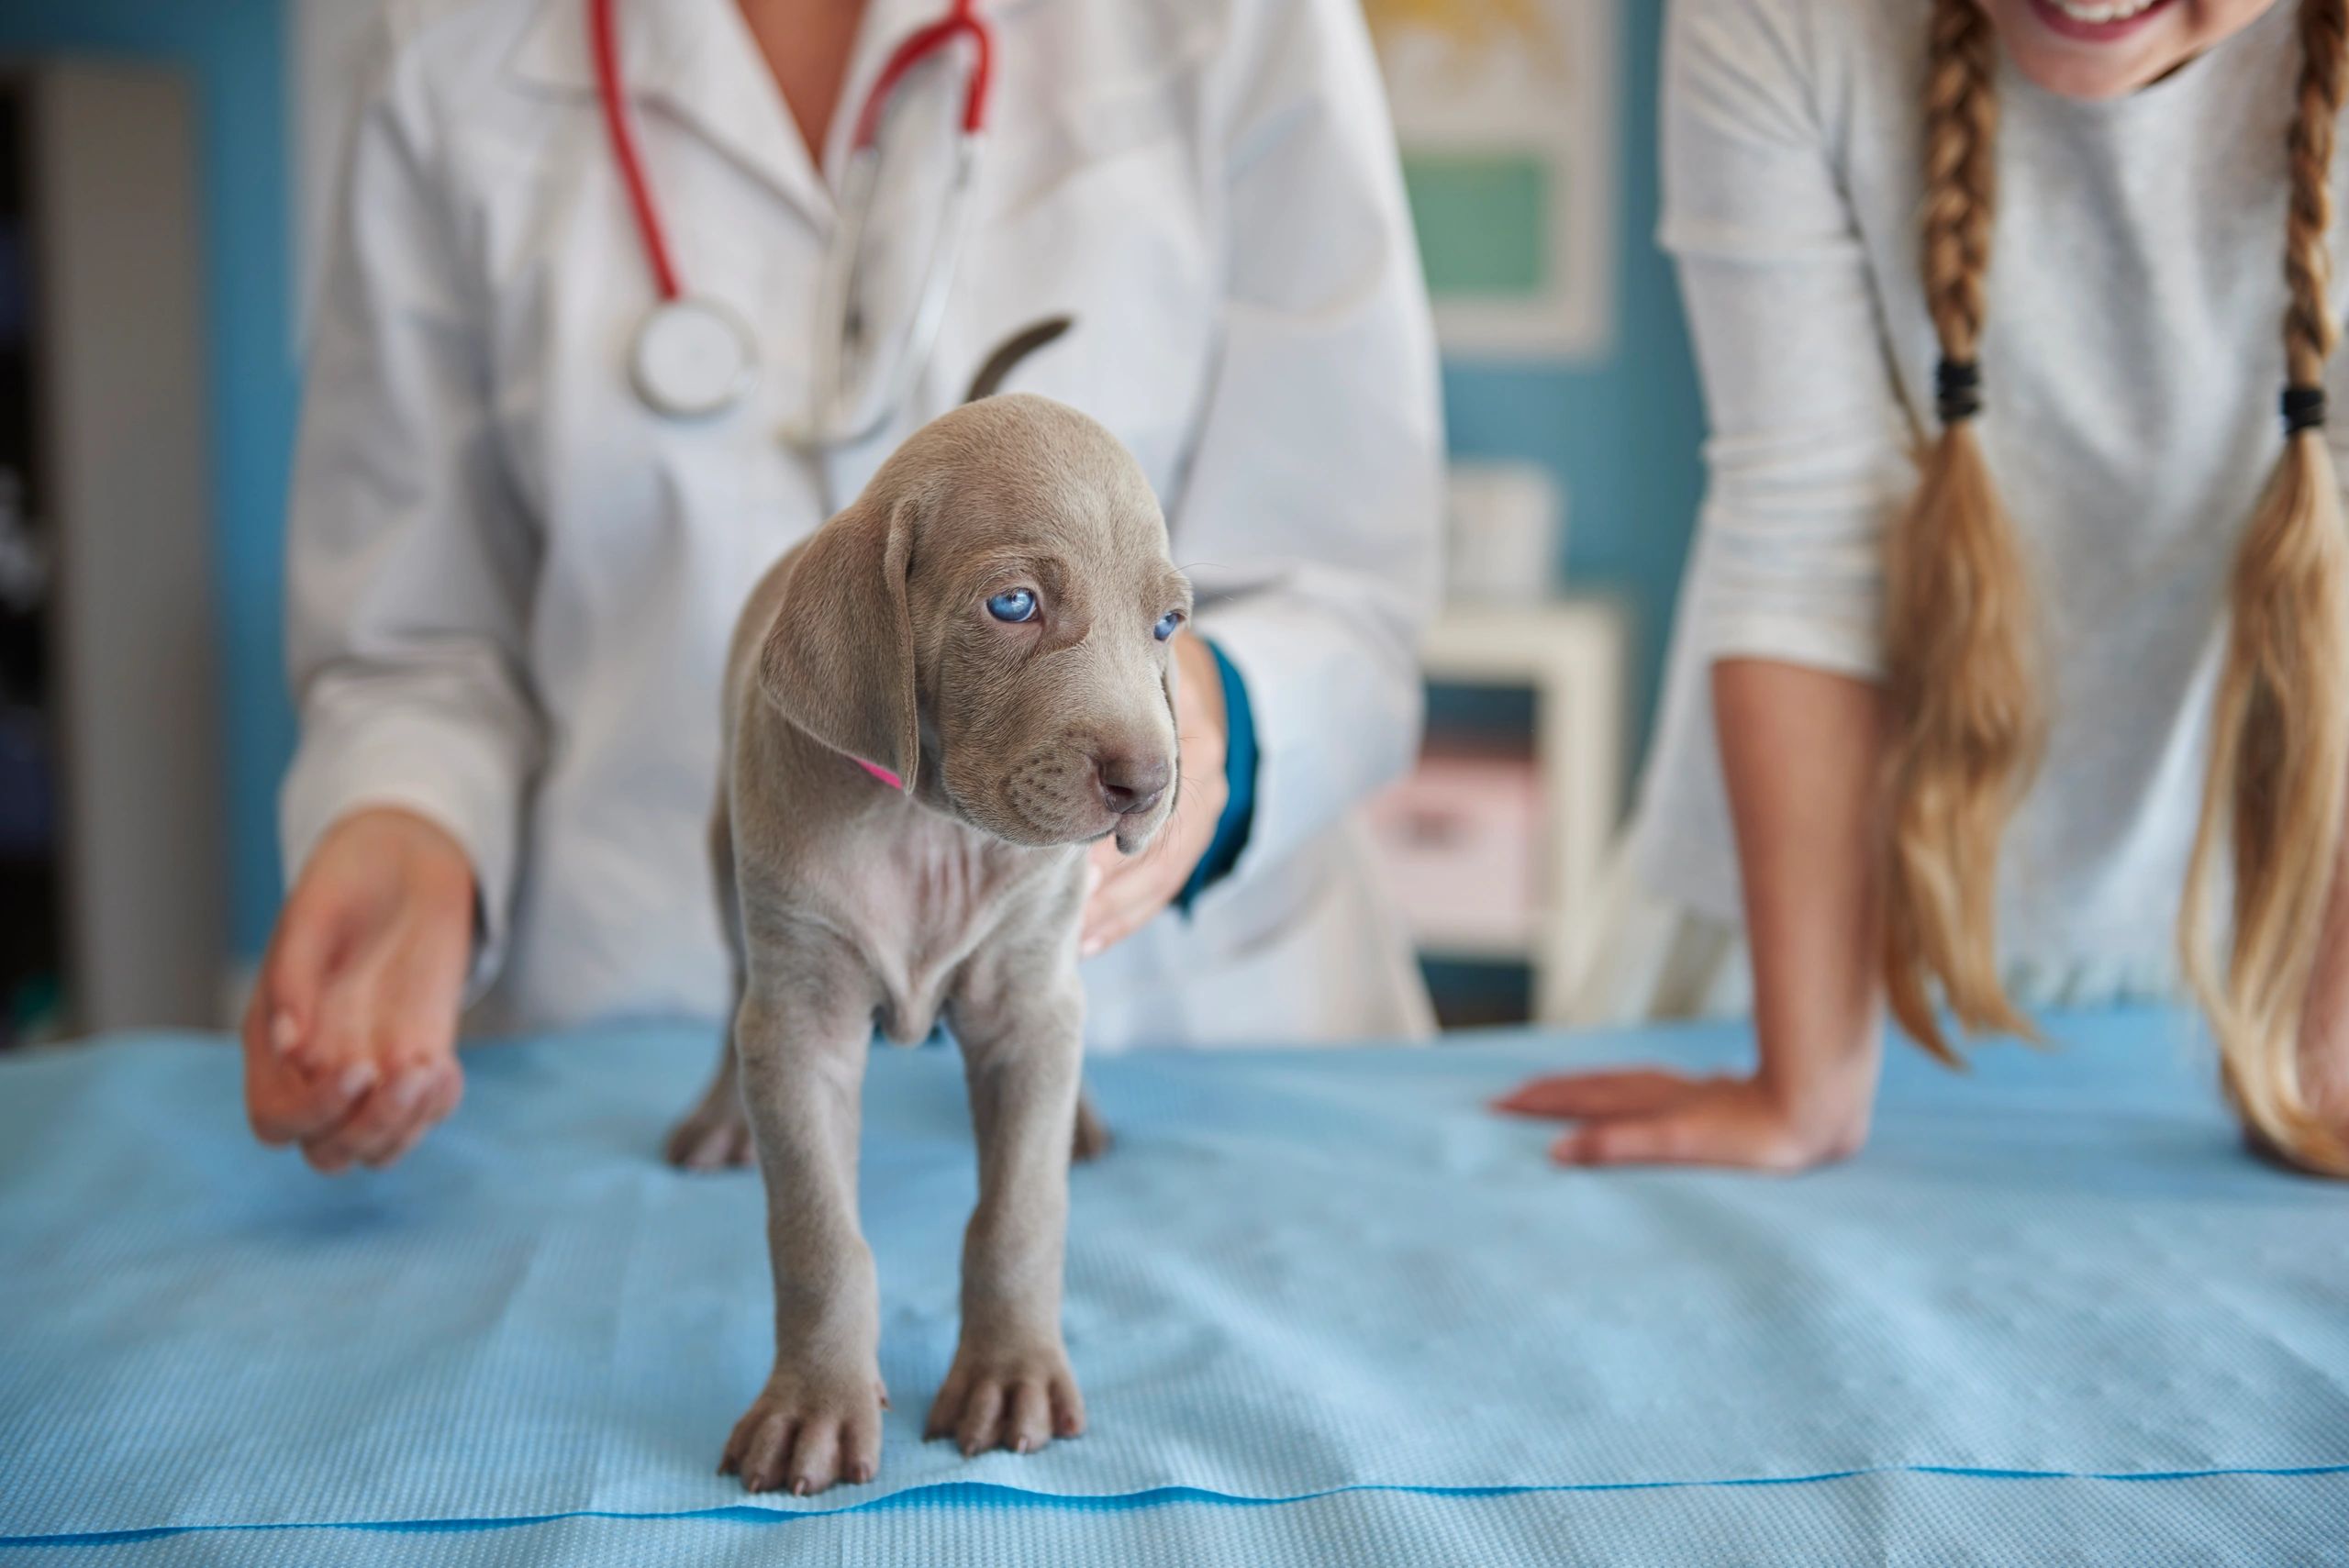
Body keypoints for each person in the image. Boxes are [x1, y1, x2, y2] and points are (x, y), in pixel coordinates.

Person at [243, 0, 1443, 1173]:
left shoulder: (1239, 20)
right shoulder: (446, 42)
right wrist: (408, 813)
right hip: (641, 1042)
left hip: (1172, 1038)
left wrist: (1194, 705)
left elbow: (1346, 590)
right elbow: (414, 639)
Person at [1499, 0, 2349, 1173]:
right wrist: (1801, 1086)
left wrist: (2329, 1059)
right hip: (1791, 926)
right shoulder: (1778, 21)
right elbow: (1804, 534)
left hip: (2221, 940)